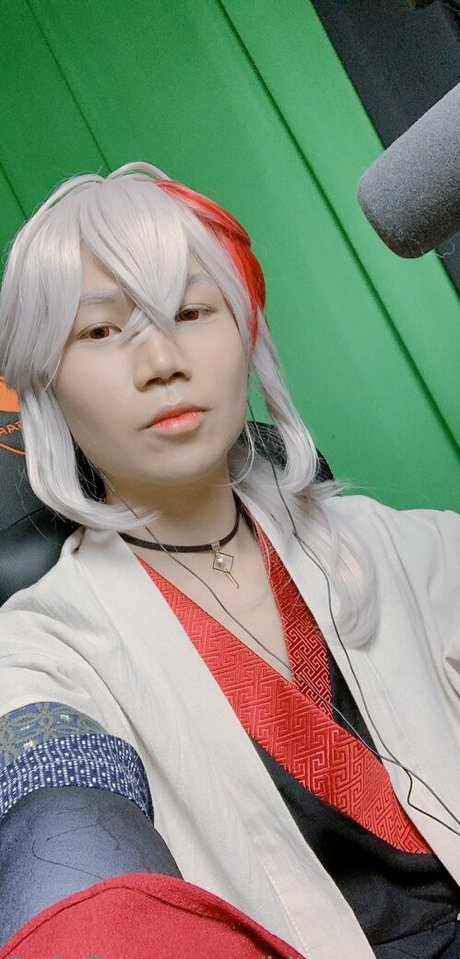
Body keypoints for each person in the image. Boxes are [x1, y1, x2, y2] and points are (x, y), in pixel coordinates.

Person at [0, 162, 459, 959]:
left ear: (245, 333)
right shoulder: (42, 648)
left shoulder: (390, 544)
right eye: (100, 331)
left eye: (191, 311)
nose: (161, 360)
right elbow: (58, 815)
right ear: (46, 379)